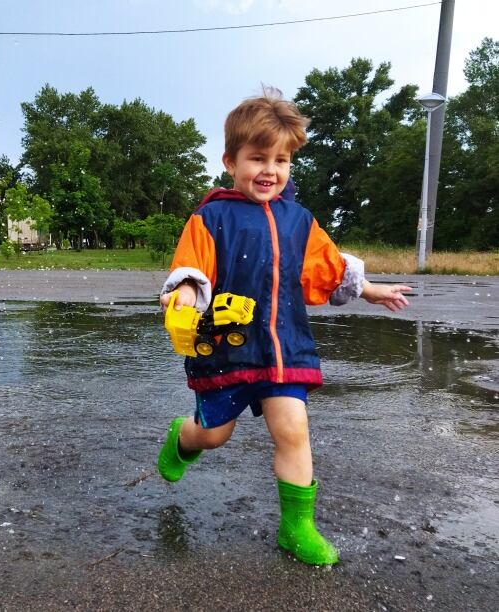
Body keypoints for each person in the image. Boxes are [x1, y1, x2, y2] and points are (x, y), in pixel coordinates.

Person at [157, 88, 411, 566]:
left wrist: (370, 289)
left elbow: (328, 266)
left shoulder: (300, 221)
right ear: (231, 161)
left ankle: (297, 527)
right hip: (227, 349)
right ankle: (183, 436)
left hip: (285, 349)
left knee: (293, 431)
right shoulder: (212, 218)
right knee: (215, 436)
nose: (270, 170)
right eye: (257, 158)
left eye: (281, 159)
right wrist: (186, 294)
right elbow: (192, 270)